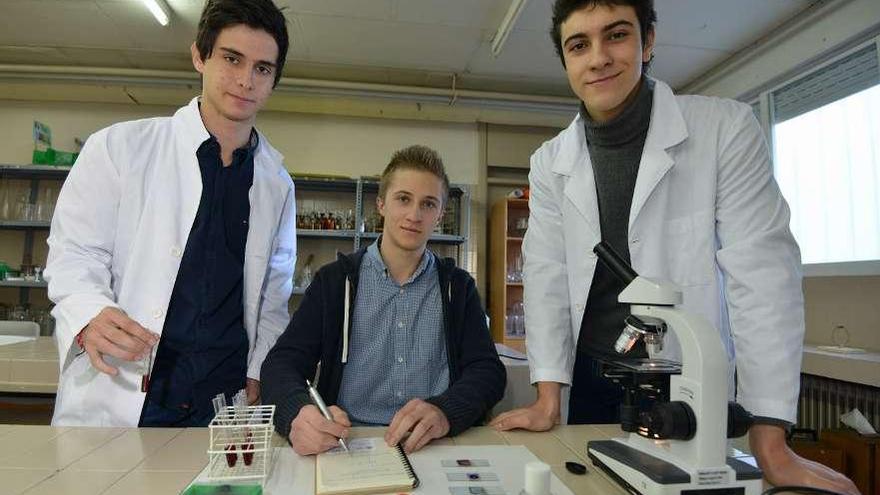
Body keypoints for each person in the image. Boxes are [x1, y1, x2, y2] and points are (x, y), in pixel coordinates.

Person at [489, 1, 859, 493]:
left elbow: (763, 274)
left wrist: (769, 433)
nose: (598, 58)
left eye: (615, 35)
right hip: (596, 380)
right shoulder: (550, 162)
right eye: (579, 45)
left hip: (691, 378)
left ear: (648, 41)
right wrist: (547, 395)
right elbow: (545, 278)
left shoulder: (724, 129)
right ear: (565, 61)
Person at [45, 0, 296, 427]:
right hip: (126, 386)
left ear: (274, 80)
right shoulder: (119, 148)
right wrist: (90, 314)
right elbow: (74, 255)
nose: (245, 80)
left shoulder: (277, 182)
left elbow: (273, 293)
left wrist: (258, 368)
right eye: (232, 59)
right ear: (199, 55)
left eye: (263, 68)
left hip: (221, 399)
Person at [261, 145, 505, 455]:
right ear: (381, 204)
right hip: (348, 443)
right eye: (403, 199)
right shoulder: (335, 282)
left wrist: (446, 410)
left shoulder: (457, 288)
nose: (414, 215)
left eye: (428, 204)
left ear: (440, 214)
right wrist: (297, 411)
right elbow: (281, 365)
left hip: (433, 443)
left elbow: (488, 372)